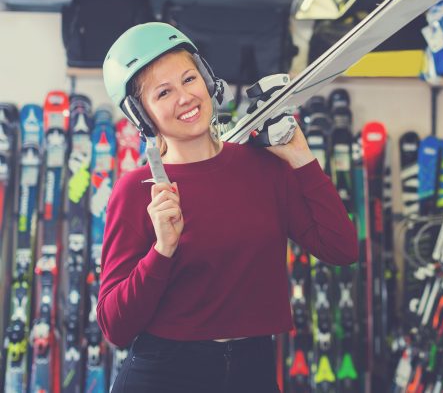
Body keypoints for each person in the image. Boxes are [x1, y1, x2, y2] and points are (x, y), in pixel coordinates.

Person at [98, 22, 359, 393]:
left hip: (253, 370)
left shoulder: (264, 168)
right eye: (164, 92)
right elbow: (114, 326)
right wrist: (162, 250)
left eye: (190, 79)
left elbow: (341, 248)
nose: (185, 97)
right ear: (143, 114)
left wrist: (301, 158)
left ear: (207, 78)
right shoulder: (137, 192)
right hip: (164, 374)